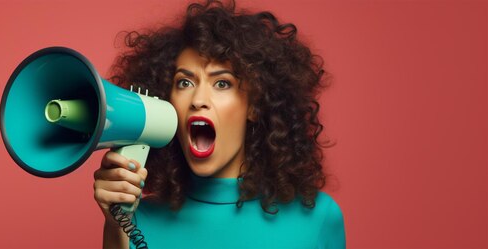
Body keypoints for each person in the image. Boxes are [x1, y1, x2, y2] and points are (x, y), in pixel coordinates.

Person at [93, 0, 345, 248]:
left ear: (255, 106)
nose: (198, 100)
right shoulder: (135, 222)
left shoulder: (319, 218)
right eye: (185, 83)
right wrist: (116, 225)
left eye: (222, 83)